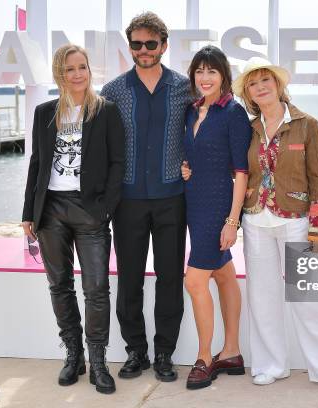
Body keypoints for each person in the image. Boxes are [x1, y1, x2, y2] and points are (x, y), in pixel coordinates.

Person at [232, 57, 318, 393]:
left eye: (266, 80)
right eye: (254, 84)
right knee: (262, 296)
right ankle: (271, 365)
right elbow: (240, 172)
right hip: (256, 220)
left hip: (297, 220)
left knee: (307, 296)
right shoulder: (249, 129)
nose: (261, 87)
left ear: (279, 85)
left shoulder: (306, 124)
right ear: (249, 93)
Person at [21, 44, 124, 394]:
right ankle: (74, 354)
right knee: (59, 285)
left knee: (97, 289)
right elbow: (36, 164)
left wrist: (105, 208)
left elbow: (117, 164)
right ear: (59, 74)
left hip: (89, 210)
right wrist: (27, 214)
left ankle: (98, 361)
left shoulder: (105, 112)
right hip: (50, 209)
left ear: (89, 71)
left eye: (82, 67)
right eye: (70, 69)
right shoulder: (44, 112)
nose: (77, 74)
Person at [100, 11, 193, 382]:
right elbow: (102, 146)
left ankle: (165, 354)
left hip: (173, 197)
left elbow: (201, 134)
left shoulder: (186, 88)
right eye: (136, 44)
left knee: (170, 277)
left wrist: (193, 165)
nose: (143, 50)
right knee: (130, 279)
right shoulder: (113, 92)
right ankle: (135, 352)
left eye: (150, 44)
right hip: (128, 201)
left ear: (163, 46)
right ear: (130, 47)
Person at [180, 45, 251, 390]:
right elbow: (196, 155)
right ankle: (233, 351)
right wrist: (186, 169)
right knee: (223, 275)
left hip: (218, 208)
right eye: (199, 71)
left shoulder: (233, 113)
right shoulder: (193, 111)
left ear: (223, 75)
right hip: (193, 204)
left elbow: (241, 171)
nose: (204, 78)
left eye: (212, 71)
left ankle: (206, 357)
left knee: (194, 282)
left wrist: (232, 220)